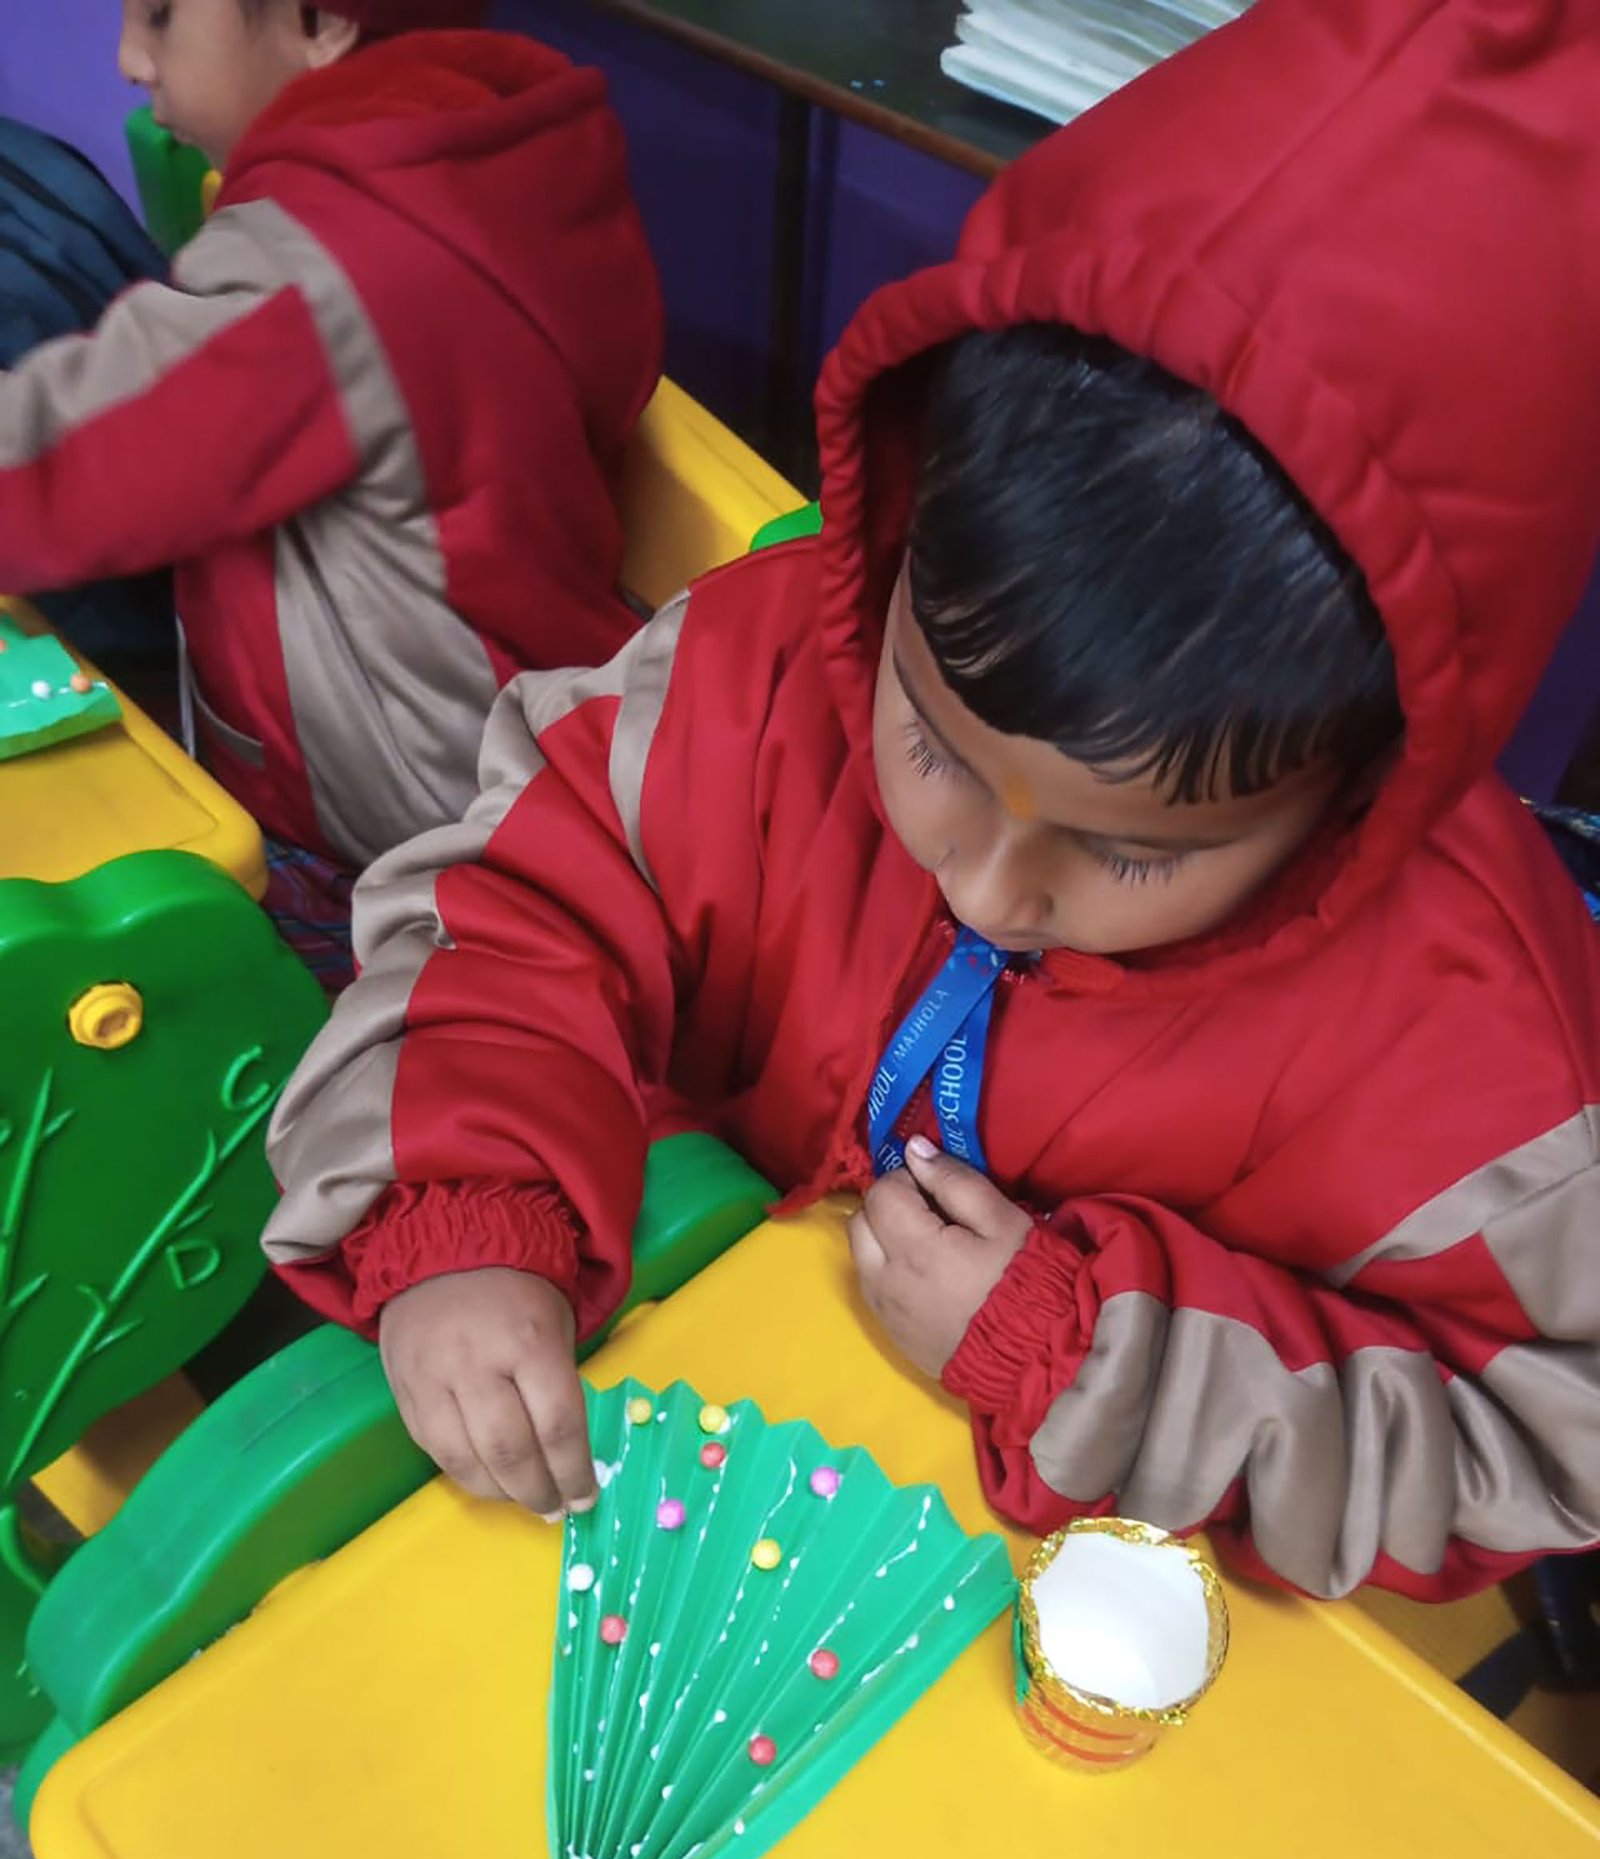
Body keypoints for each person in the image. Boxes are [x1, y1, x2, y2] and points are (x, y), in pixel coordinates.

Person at [262, 0, 1600, 1601]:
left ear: (1361, 776)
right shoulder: (756, 672)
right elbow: (504, 899)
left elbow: (1543, 1434)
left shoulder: (1483, 1057)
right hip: (683, 1491)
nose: (985, 886)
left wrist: (1096, 1360)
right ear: (904, 532)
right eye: (939, 746)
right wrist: (465, 1200)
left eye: (1127, 852)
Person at [0, 0, 662, 984]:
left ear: (320, 21)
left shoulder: (318, 269)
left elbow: (63, 464)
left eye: (164, 16)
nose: (130, 58)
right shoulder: (499, 160)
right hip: (527, 731)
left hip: (408, 842)